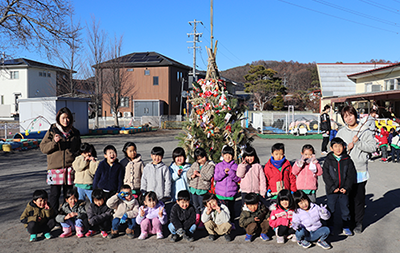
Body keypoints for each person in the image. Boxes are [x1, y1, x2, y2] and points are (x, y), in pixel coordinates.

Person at [336, 105, 376, 234]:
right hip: (345, 171)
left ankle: (358, 223)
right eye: (345, 116)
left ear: (355, 115)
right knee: (346, 199)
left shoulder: (365, 130)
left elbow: (372, 148)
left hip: (359, 170)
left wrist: (358, 143)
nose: (348, 118)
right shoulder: (341, 132)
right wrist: (346, 148)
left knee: (358, 199)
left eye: (350, 115)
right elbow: (335, 149)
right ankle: (348, 221)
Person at [40, 107, 81, 211]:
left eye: (68, 118)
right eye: (63, 118)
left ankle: (66, 215)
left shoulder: (75, 132)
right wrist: (54, 142)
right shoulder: (52, 131)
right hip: (55, 168)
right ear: (58, 118)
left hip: (69, 167)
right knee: (55, 194)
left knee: (69, 194)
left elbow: (78, 149)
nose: (65, 121)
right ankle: (53, 216)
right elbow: (43, 148)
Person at [322, 137, 356, 236]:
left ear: (344, 147)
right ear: (331, 148)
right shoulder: (328, 160)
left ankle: (346, 226)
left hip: (344, 190)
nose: (338, 149)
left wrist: (346, 187)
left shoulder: (347, 159)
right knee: (330, 209)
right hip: (332, 191)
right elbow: (326, 175)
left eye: (340, 146)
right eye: (335, 146)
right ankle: (330, 226)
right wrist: (332, 187)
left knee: (345, 209)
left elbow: (351, 175)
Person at [187, 147, 215, 226]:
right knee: (195, 205)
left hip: (203, 189)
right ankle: (197, 218)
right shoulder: (194, 165)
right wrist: (192, 176)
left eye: (202, 157)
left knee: (202, 205)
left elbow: (208, 176)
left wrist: (199, 174)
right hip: (193, 189)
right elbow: (188, 173)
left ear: (205, 155)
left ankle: (203, 220)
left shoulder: (210, 165)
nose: (201, 160)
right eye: (198, 159)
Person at [214, 146, 240, 226]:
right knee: (221, 209)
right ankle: (221, 223)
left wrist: (231, 173)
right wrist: (223, 173)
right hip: (220, 194)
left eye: (230, 155)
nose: (227, 157)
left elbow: (238, 179)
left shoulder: (235, 166)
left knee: (231, 209)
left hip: (231, 194)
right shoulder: (219, 165)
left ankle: (231, 223)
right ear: (222, 155)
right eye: (225, 155)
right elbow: (216, 178)